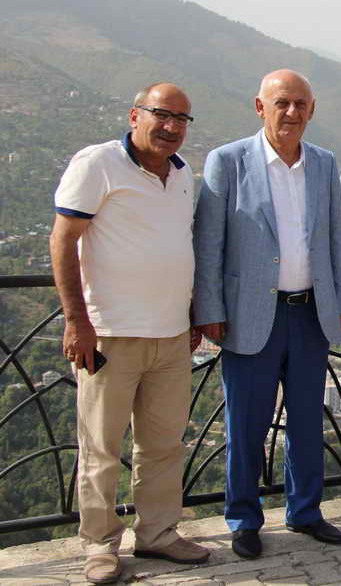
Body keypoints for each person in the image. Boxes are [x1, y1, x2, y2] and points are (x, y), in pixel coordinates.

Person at [51, 83, 210, 584]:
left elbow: (177, 247)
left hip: (171, 334)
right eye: (162, 115)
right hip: (110, 334)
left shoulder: (181, 174)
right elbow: (63, 241)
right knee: (101, 447)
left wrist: (190, 313)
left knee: (163, 444)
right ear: (135, 115)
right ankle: (100, 545)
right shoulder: (97, 163)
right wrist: (76, 321)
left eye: (182, 119)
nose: (171, 127)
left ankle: (158, 532)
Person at [192, 70, 341, 559]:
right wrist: (209, 309)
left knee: (306, 420)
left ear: (312, 109)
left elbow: (334, 238)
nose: (292, 112)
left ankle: (305, 511)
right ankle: (243, 519)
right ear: (260, 107)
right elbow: (209, 242)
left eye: (301, 103)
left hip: (310, 313)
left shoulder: (324, 163)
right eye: (282, 102)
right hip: (248, 314)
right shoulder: (228, 161)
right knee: (247, 424)